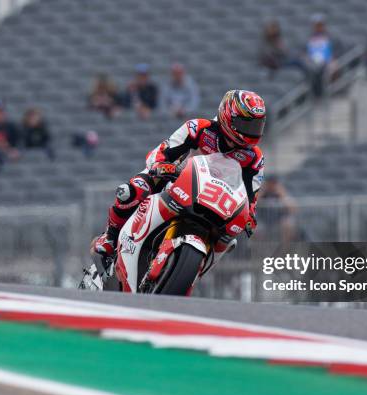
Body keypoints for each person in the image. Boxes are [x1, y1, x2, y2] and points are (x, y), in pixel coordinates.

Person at [91, 90, 266, 258]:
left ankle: (195, 268)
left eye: (256, 125)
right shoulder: (198, 128)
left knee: (230, 239)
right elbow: (162, 151)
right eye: (246, 124)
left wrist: (249, 216)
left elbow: (252, 196)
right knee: (132, 190)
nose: (252, 131)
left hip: (217, 201)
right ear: (229, 117)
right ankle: (110, 237)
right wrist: (161, 165)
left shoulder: (255, 157)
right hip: (178, 179)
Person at [303, 14, 338, 98]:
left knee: (333, 67)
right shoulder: (309, 38)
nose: (318, 27)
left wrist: (331, 59)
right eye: (316, 25)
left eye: (320, 25)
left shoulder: (329, 37)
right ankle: (314, 94)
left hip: (327, 61)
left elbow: (334, 51)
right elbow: (305, 52)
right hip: (313, 62)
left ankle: (334, 91)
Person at [258, 175, 298, 244]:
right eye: (269, 183)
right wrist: (262, 192)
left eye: (274, 183)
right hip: (264, 220)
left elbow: (293, 209)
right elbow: (253, 204)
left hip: (279, 220)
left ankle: (285, 249)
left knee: (288, 225)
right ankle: (258, 251)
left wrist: (282, 194)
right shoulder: (262, 193)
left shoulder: (281, 193)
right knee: (255, 229)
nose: (271, 186)